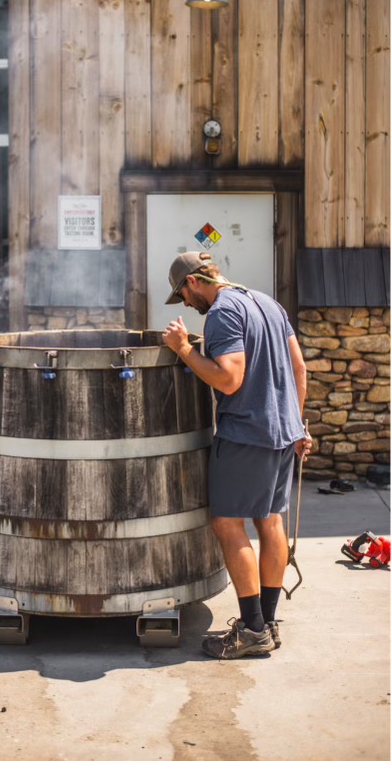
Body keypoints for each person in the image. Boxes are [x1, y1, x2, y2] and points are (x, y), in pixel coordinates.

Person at [162, 251, 311, 659]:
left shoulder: (223, 312)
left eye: (184, 296)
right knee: (270, 521)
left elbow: (229, 379)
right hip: (282, 434)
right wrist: (299, 426)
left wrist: (183, 350)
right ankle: (266, 622)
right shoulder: (268, 303)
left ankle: (250, 630)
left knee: (228, 525)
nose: (188, 306)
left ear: (193, 282)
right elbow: (300, 369)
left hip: (247, 433)